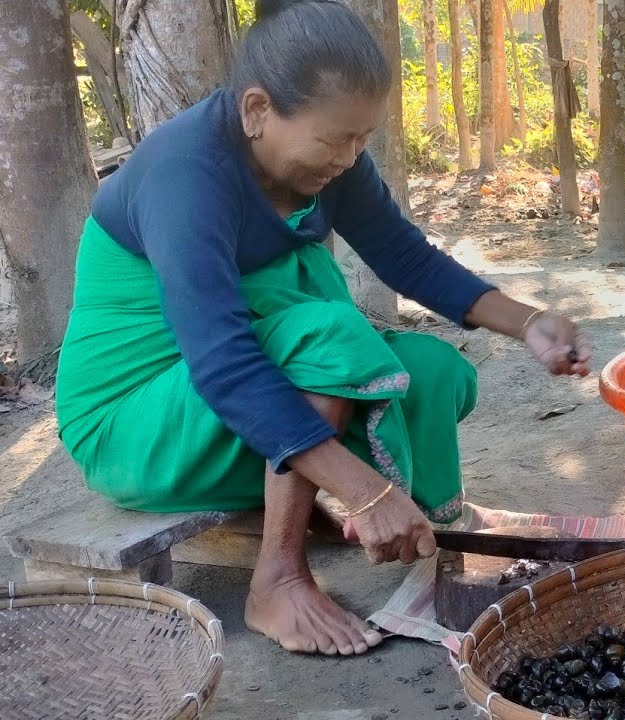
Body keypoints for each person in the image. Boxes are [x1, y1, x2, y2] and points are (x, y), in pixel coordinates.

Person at [55, 0, 592, 656]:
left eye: (363, 137)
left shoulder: (328, 164)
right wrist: (364, 491)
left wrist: (530, 322)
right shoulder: (184, 174)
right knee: (331, 336)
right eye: (337, 137)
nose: (351, 155)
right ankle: (276, 580)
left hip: (237, 395)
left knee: (433, 372)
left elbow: (403, 254)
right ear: (257, 111)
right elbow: (223, 361)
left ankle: (433, 531)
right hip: (138, 423)